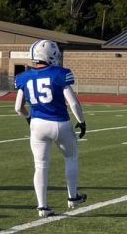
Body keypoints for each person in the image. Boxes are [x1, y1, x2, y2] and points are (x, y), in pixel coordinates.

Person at [15, 40, 87, 216]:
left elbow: (18, 107)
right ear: (51, 55)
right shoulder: (60, 74)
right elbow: (73, 103)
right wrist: (81, 120)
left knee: (40, 166)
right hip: (60, 122)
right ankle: (72, 197)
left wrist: (29, 118)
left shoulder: (24, 77)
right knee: (70, 157)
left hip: (38, 124)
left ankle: (42, 206)